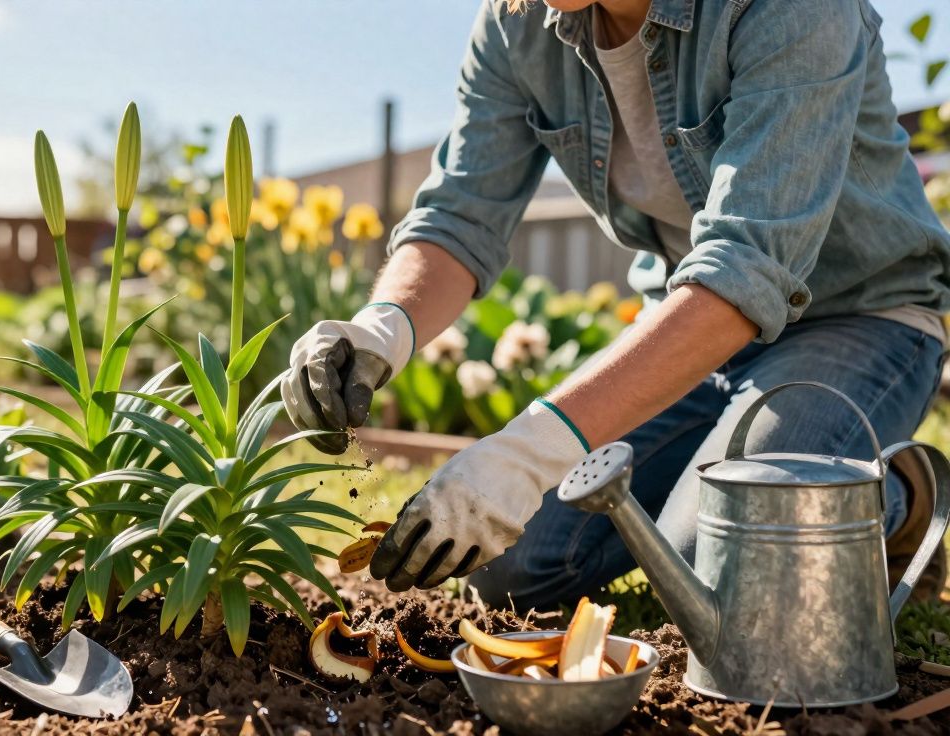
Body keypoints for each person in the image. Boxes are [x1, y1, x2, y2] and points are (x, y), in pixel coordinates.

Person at [282, 0, 950, 609]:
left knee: (724, 564)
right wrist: (381, 329)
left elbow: (749, 268)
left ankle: (901, 499)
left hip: (861, 319)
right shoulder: (517, 22)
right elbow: (459, 216)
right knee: (509, 567)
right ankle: (742, 480)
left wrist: (528, 454)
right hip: (688, 333)